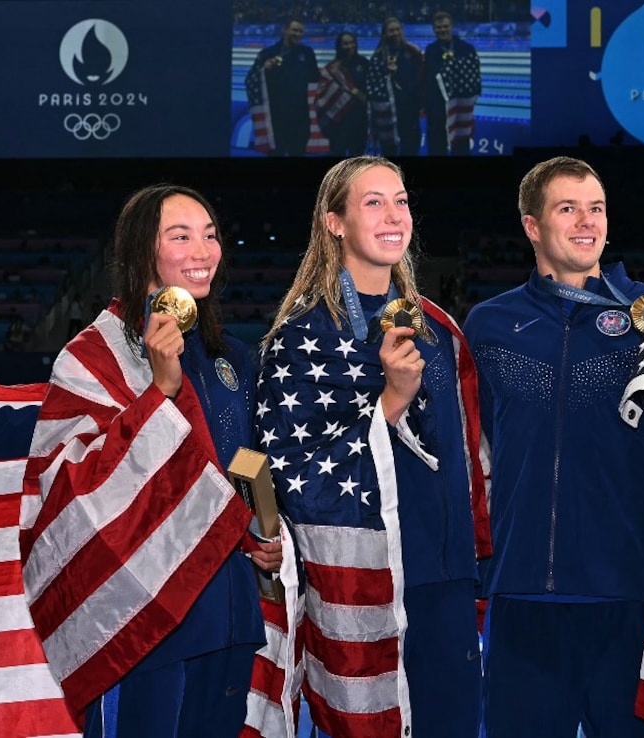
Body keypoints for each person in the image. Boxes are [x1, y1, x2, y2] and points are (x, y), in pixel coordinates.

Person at [463, 156, 644, 736]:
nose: (587, 222)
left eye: (597, 209)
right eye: (568, 209)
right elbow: (468, 455)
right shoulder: (488, 324)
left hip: (629, 598)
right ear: (533, 226)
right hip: (522, 596)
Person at [21, 184, 282, 737]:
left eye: (210, 236)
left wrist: (263, 531)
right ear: (144, 251)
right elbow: (72, 489)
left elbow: (243, 468)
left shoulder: (231, 356)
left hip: (229, 614)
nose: (202, 251)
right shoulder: (93, 357)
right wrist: (160, 391)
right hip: (145, 621)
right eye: (180, 236)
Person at [255, 156, 490, 737]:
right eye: (374, 202)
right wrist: (390, 400)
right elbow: (281, 471)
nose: (394, 215)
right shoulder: (300, 335)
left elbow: (469, 458)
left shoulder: (440, 329)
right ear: (334, 223)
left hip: (444, 580)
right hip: (360, 584)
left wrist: (474, 561)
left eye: (402, 200)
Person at [245, 18, 319, 156]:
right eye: (294, 30)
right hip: (275, 118)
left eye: (301, 31)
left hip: (300, 118)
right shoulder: (268, 54)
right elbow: (250, 80)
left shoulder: (307, 53)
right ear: (285, 30)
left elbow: (317, 79)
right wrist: (264, 69)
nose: (298, 34)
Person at [421, 10, 482, 156]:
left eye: (445, 26)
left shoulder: (466, 49)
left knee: (461, 147)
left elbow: (475, 79)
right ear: (434, 29)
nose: (442, 30)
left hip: (458, 110)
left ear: (451, 27)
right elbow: (426, 79)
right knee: (436, 147)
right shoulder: (431, 50)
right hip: (436, 110)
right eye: (439, 27)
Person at [366, 17, 423, 156]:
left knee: (411, 145)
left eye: (398, 29)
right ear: (385, 33)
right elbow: (373, 84)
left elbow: (421, 78)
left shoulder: (412, 51)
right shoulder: (378, 56)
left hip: (409, 109)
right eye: (391, 30)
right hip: (388, 111)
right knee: (388, 150)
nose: (395, 33)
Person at [315, 31, 369, 157]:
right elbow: (322, 96)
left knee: (357, 159)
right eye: (345, 43)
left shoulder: (364, 63)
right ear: (339, 46)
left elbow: (369, 90)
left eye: (352, 42)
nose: (350, 46)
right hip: (338, 121)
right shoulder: (332, 68)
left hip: (359, 119)